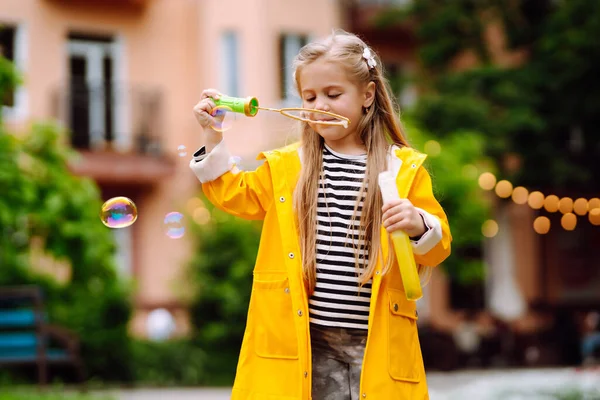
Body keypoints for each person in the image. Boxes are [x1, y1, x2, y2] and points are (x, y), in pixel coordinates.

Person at [190, 30, 451, 400]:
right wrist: (212, 135)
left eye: (333, 94)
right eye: (309, 96)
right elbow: (236, 195)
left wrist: (418, 223)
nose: (319, 105)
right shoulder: (288, 166)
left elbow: (437, 248)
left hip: (375, 342)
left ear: (368, 95)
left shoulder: (402, 169)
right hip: (305, 342)